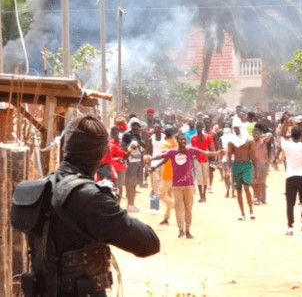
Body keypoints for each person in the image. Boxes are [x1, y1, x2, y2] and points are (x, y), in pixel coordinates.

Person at [51, 115, 160, 296]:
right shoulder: (90, 198)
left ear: (65, 146)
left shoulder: (37, 190)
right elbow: (149, 243)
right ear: (101, 153)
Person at [152, 133, 224, 239]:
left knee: (188, 208)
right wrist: (151, 159)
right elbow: (161, 156)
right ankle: (181, 230)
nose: (183, 142)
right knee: (179, 208)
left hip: (189, 184)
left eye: (185, 140)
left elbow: (205, 153)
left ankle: (188, 230)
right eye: (181, 140)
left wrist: (217, 152)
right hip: (176, 185)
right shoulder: (172, 151)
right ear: (177, 141)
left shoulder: (191, 150)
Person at [280, 120, 302, 236]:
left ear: (291, 135)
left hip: (290, 177)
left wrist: (285, 124)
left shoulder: (287, 145)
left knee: (290, 203)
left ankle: (290, 227)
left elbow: (281, 135)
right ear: (301, 136)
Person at [228, 120, 256, 221]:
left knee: (247, 188)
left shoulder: (249, 140)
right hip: (236, 166)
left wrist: (255, 168)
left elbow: (253, 155)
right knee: (238, 190)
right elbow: (229, 155)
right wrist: (229, 169)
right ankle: (242, 213)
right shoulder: (231, 141)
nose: (236, 130)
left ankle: (251, 210)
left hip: (247, 165)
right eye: (234, 128)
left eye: (237, 128)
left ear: (241, 128)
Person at [121, 119, 146, 212]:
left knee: (134, 184)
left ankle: (132, 204)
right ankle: (129, 204)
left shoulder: (137, 135)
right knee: (130, 184)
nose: (136, 128)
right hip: (130, 162)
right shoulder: (127, 135)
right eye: (134, 126)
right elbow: (122, 147)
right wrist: (130, 146)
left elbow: (144, 146)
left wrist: (144, 135)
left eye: (138, 126)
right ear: (131, 126)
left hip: (138, 162)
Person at [191, 121, 215, 202]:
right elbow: (193, 150)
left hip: (206, 159)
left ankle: (204, 194)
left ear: (203, 128)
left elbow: (211, 148)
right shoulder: (193, 138)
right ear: (196, 128)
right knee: (199, 177)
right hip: (197, 159)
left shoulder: (208, 136)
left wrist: (213, 159)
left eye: (200, 127)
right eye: (197, 127)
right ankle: (201, 196)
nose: (199, 128)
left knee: (205, 177)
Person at [252, 125, 273, 205]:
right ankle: (256, 197)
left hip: (262, 163)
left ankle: (262, 198)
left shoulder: (263, 141)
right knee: (254, 181)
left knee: (262, 181)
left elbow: (270, 134)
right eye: (254, 133)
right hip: (253, 163)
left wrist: (260, 136)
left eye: (257, 133)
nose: (256, 135)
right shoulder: (251, 142)